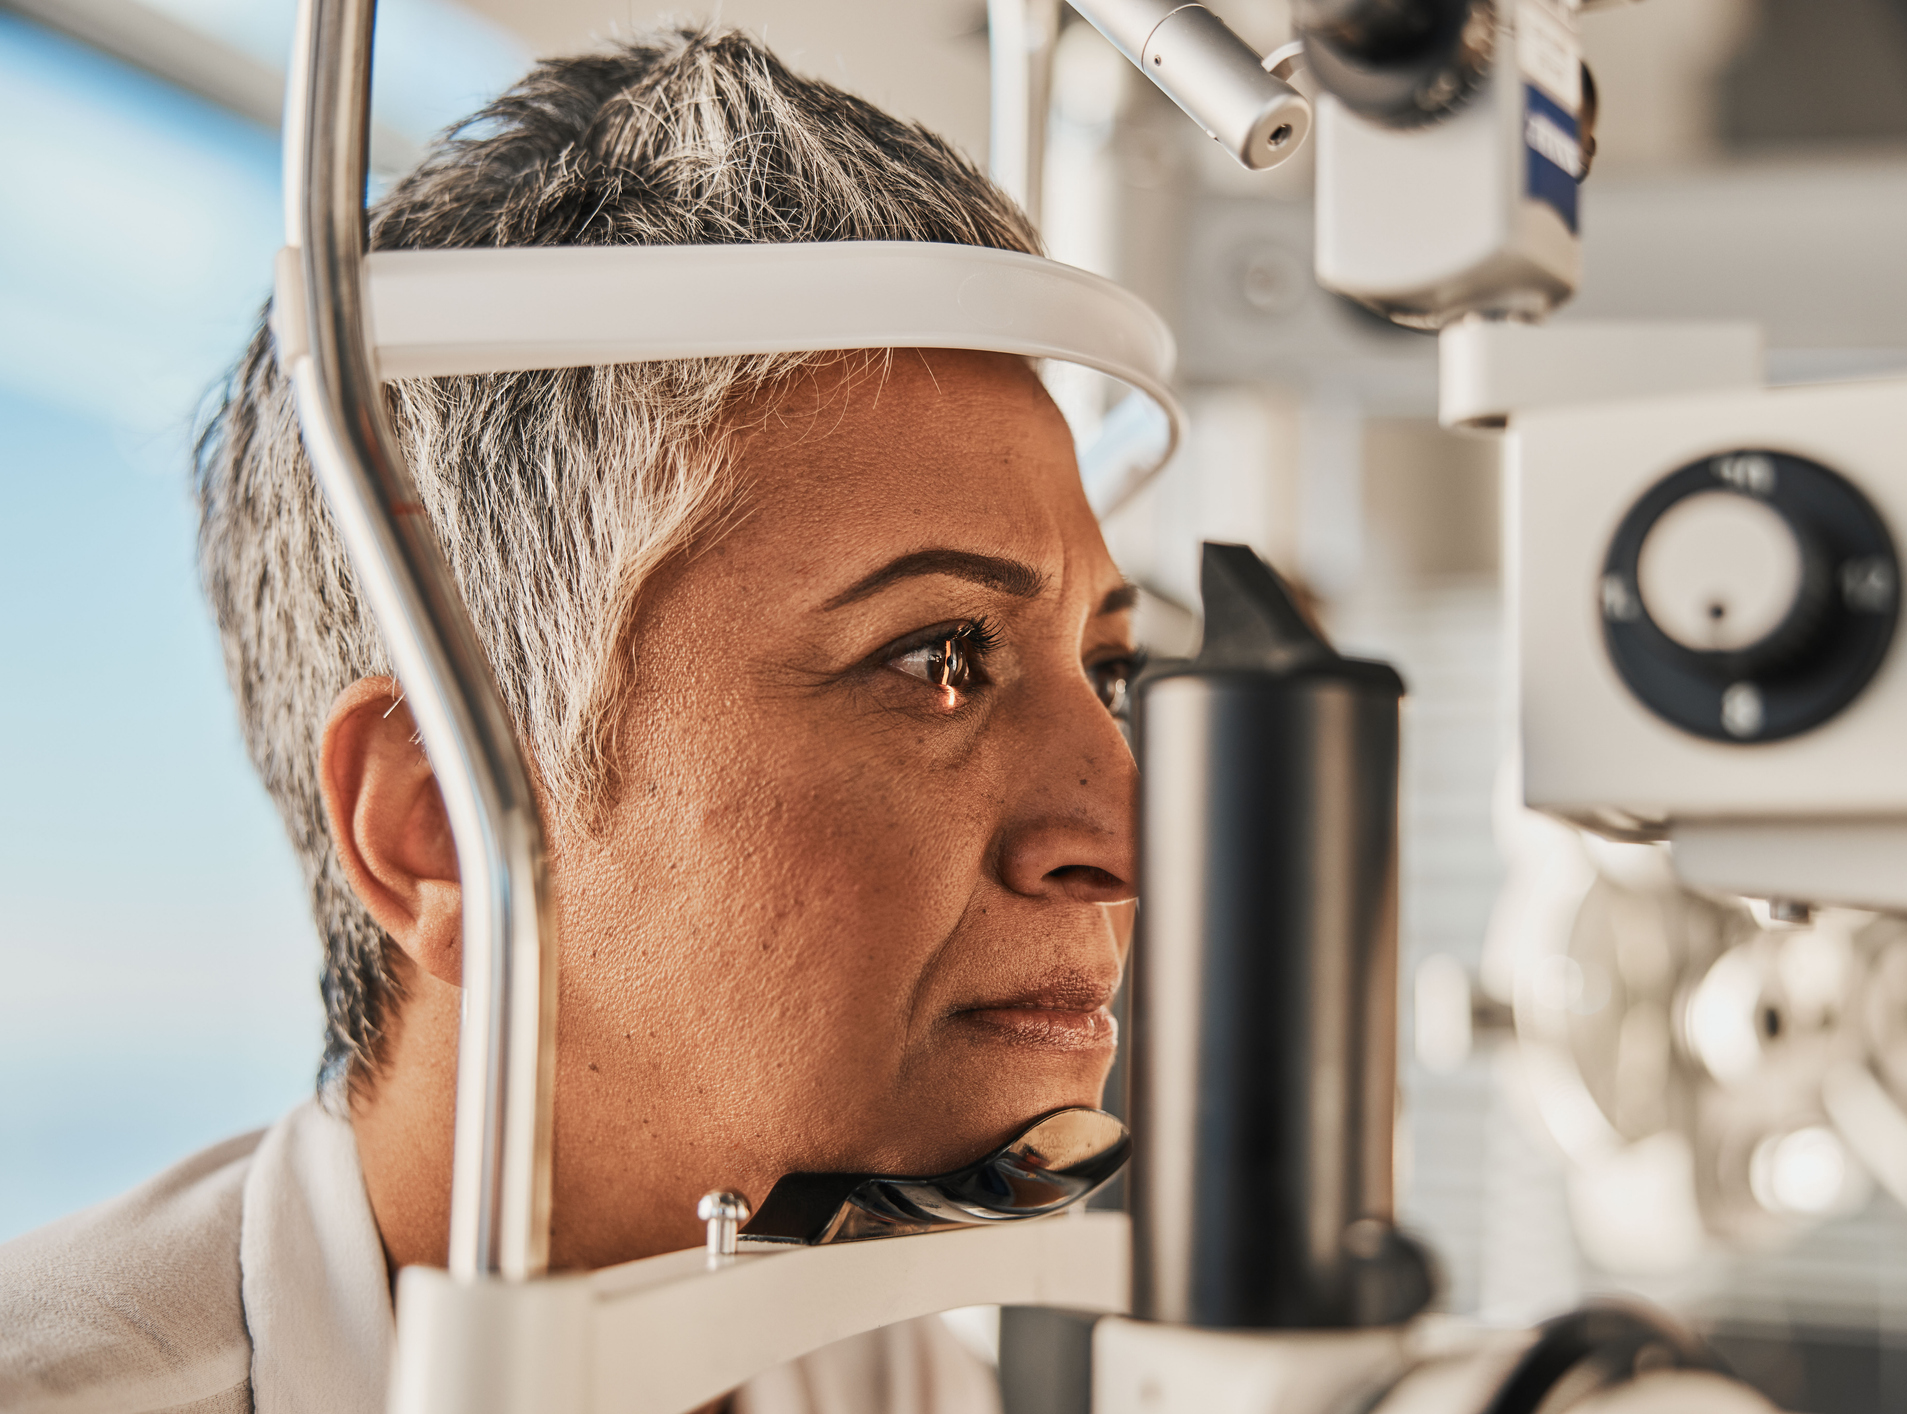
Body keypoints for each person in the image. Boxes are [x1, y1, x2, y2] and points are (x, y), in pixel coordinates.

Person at [1, 28, 1139, 1414]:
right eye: (942, 655)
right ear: (441, 826)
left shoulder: (901, 1369)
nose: (1123, 832)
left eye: (1109, 670)